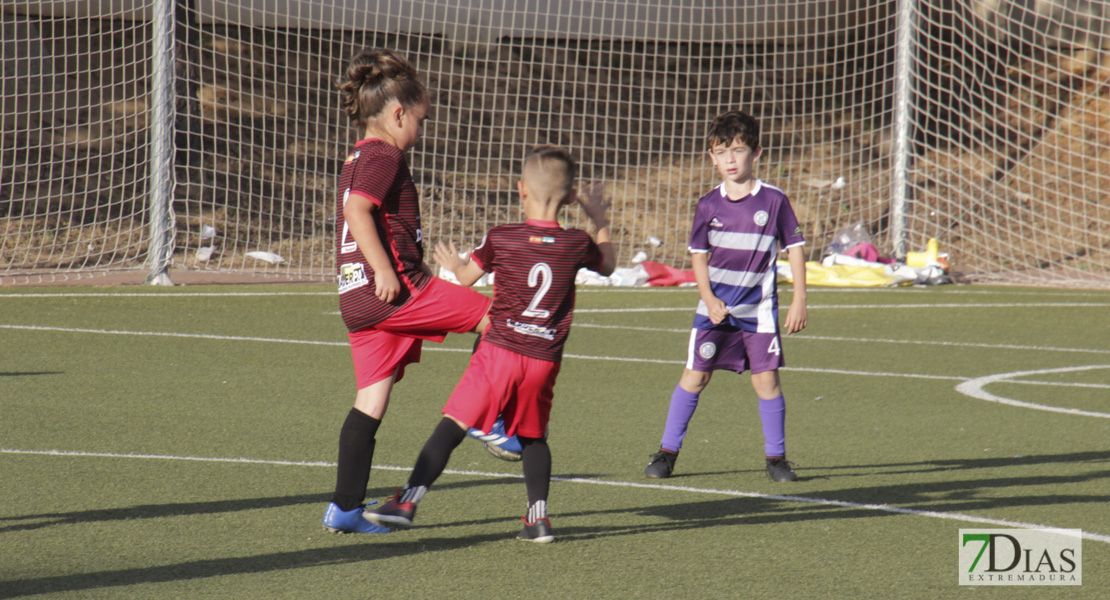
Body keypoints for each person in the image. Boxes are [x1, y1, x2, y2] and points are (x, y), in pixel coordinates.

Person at [365, 145, 615, 542]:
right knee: (533, 436)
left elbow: (466, 279)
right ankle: (538, 519)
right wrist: (599, 218)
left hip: (500, 350)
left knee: (453, 425)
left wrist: (451, 266)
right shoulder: (576, 244)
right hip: (544, 358)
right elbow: (608, 264)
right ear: (570, 197)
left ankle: (407, 501)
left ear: (521, 190)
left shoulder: (503, 238)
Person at [322, 48, 493, 534]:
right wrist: (385, 270)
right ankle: (486, 417)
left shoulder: (360, 152)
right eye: (420, 118)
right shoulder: (384, 153)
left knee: (370, 401)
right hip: (393, 290)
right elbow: (358, 210)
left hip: (355, 299)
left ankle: (345, 509)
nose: (421, 128)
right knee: (498, 319)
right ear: (398, 114)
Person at [643, 110, 808, 482]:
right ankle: (666, 453)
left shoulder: (774, 201)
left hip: (758, 309)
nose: (730, 159)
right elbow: (698, 257)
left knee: (766, 382)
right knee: (695, 376)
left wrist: (800, 298)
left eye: (738, 150)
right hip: (714, 310)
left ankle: (776, 459)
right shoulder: (708, 205)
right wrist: (709, 298)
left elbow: (794, 247)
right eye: (722, 152)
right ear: (711, 156)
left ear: (757, 153)